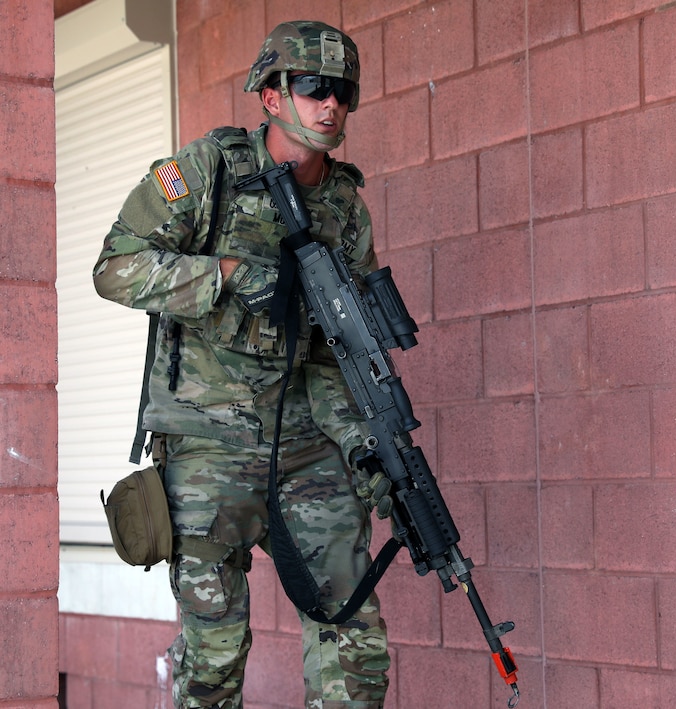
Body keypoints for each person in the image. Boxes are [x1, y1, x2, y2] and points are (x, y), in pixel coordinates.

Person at [93, 20, 392, 709]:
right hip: (206, 441)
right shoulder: (207, 172)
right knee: (214, 655)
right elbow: (114, 267)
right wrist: (224, 273)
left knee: (354, 640)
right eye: (313, 86)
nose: (330, 105)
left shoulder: (344, 208)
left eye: (343, 91)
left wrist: (367, 449)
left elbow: (338, 354)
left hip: (305, 445)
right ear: (269, 94)